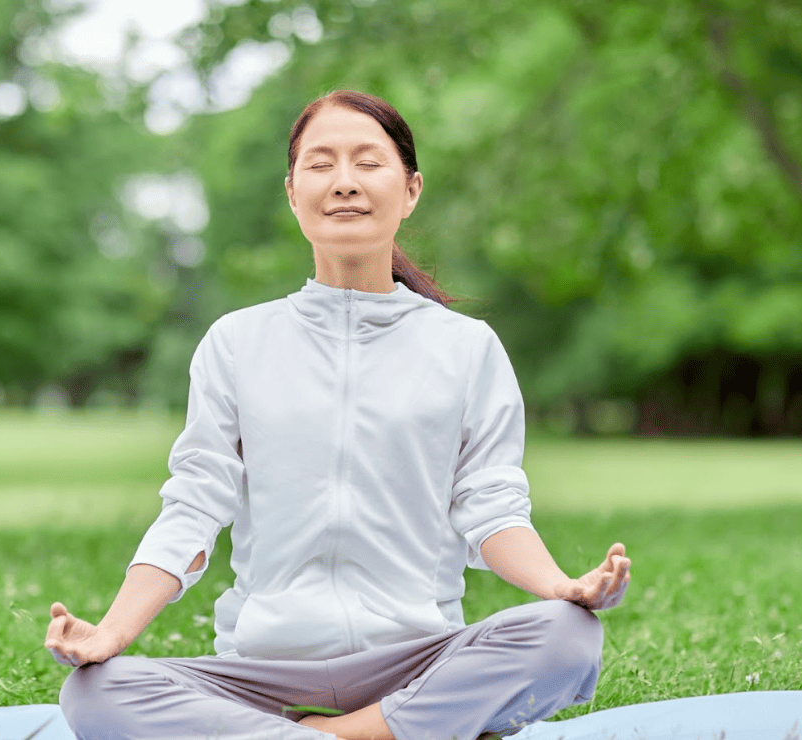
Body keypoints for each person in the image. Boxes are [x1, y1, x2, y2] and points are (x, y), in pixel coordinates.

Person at [44, 90, 632, 740]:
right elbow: (193, 508)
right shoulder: (237, 343)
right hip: (263, 673)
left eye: (367, 162)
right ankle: (393, 734)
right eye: (321, 164)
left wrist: (560, 587)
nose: (345, 182)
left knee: (567, 638)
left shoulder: (466, 349)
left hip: (416, 662)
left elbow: (491, 508)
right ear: (293, 193)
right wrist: (111, 633)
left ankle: (334, 735)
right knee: (95, 693)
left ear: (410, 190)